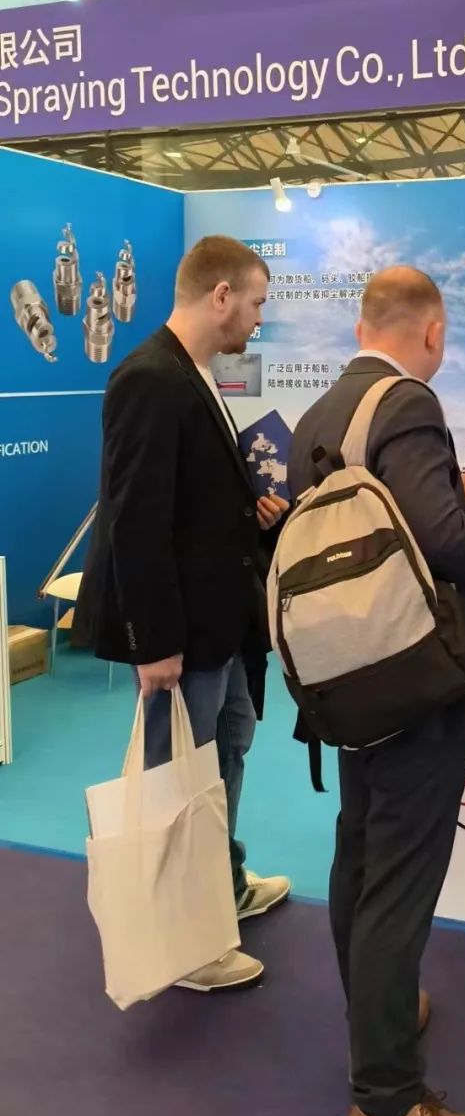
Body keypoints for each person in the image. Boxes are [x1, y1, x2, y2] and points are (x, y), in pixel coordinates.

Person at [288, 267, 465, 1116]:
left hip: (344, 679)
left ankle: (378, 1014)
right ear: (432, 330)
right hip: (414, 677)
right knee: (400, 882)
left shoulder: (321, 411)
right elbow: (441, 537)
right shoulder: (409, 404)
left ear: (360, 326)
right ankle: (387, 1104)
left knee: (360, 853)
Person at [74, 236, 292, 992]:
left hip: (220, 626)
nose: (258, 319)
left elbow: (191, 501)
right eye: (256, 302)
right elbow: (135, 520)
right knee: (178, 780)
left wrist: (249, 514)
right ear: (221, 295)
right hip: (182, 636)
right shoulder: (148, 378)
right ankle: (186, 946)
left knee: (224, 756)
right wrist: (154, 642)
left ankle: (220, 886)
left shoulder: (193, 374)